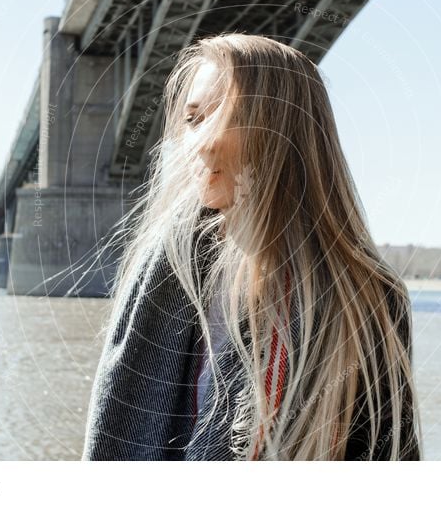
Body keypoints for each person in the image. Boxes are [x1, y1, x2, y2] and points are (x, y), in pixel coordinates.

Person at [81, 32, 422, 461]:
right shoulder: (164, 272)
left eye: (232, 115)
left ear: (285, 132)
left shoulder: (367, 298)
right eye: (192, 119)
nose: (202, 141)